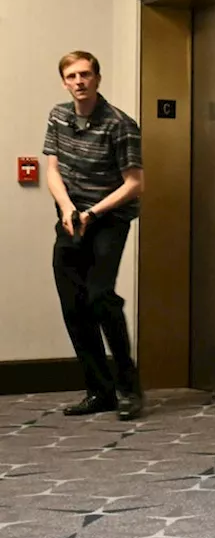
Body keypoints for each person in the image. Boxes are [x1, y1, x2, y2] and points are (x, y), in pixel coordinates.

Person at [43, 50, 146, 423]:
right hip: (72, 216)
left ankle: (128, 388)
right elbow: (52, 169)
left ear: (97, 78)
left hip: (109, 218)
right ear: (64, 82)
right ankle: (99, 391)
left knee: (101, 297)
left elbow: (135, 184)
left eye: (85, 74)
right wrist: (67, 208)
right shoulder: (59, 116)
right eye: (72, 76)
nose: (79, 82)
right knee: (73, 304)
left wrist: (92, 213)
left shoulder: (120, 124)